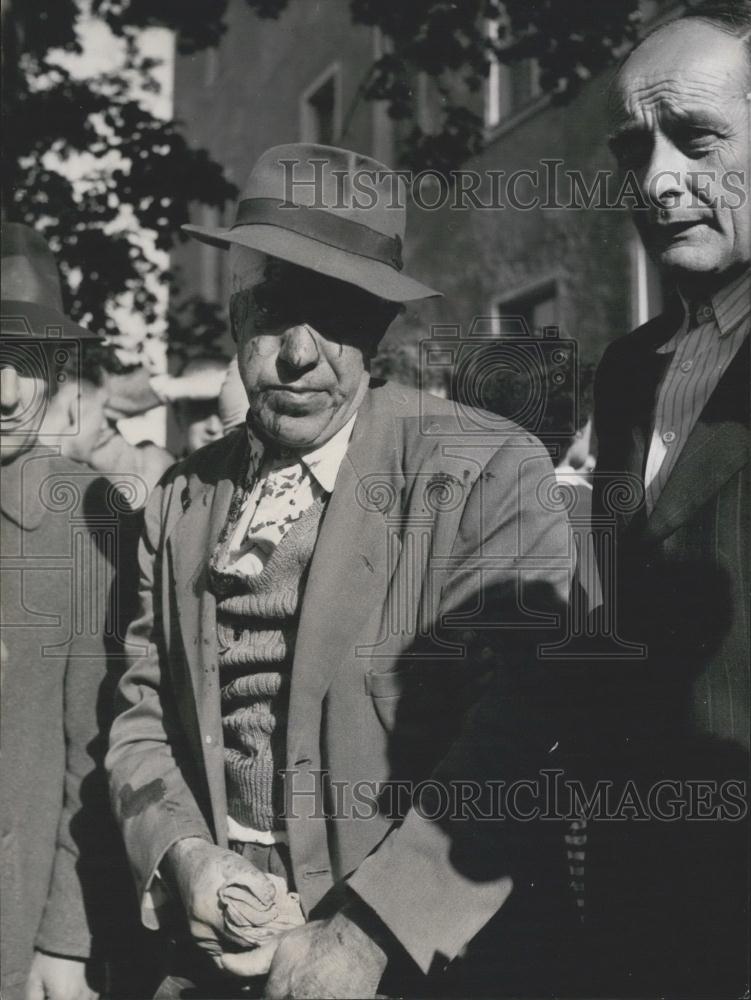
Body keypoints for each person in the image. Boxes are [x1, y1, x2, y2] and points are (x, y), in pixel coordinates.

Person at [106, 143, 576, 998]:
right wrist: (184, 856)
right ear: (233, 307)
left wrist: (364, 934)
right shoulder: (179, 501)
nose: (297, 354)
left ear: (382, 329)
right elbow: (139, 711)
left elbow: (522, 731)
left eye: (339, 316)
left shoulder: (486, 470)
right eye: (273, 308)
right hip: (216, 962)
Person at [589, 2, 750, 994]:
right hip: (642, 900)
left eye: (694, 139)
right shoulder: (628, 369)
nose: (654, 180)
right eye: (634, 147)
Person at [0, 222, 154, 1000]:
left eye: (27, 363)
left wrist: (64, 938)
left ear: (58, 370)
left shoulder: (84, 511)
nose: (4, 390)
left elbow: (98, 750)